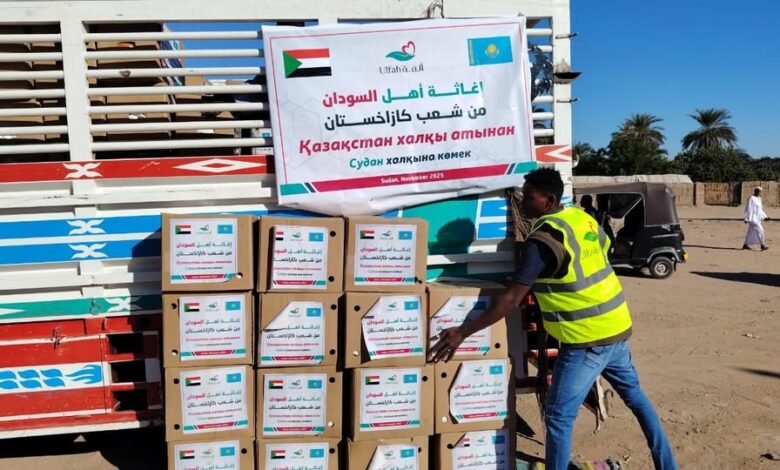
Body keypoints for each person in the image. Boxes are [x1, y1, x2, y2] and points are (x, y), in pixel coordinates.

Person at [430, 168, 677, 470]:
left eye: (529, 197)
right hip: (616, 329)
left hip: (586, 340)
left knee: (559, 417)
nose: (523, 202)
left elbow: (511, 299)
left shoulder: (543, 240)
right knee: (637, 400)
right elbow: (601, 249)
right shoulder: (580, 219)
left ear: (548, 200)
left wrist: (463, 331)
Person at [742, 187, 769, 251]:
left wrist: (765, 217)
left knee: (750, 232)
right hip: (752, 218)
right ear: (755, 191)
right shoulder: (751, 198)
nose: (759, 193)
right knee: (761, 230)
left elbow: (760, 210)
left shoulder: (759, 198)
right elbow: (748, 208)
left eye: (760, 191)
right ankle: (762, 245)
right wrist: (746, 218)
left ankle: (745, 245)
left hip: (758, 218)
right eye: (758, 191)